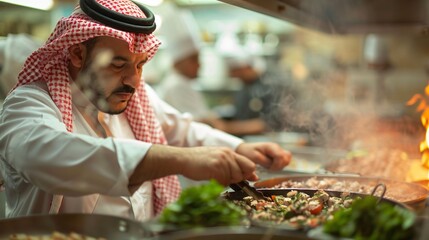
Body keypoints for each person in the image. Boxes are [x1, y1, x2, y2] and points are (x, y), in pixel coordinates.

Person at [0, 0, 291, 221]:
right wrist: (180, 160)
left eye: (140, 65)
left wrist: (240, 148)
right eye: (118, 65)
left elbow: (183, 129)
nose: (134, 80)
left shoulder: (133, 96)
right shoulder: (28, 105)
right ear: (77, 54)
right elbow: (52, 156)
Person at [157, 5, 266, 136]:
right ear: (178, 62)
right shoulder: (177, 86)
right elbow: (201, 128)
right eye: (194, 59)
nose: (200, 65)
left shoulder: (183, 84)